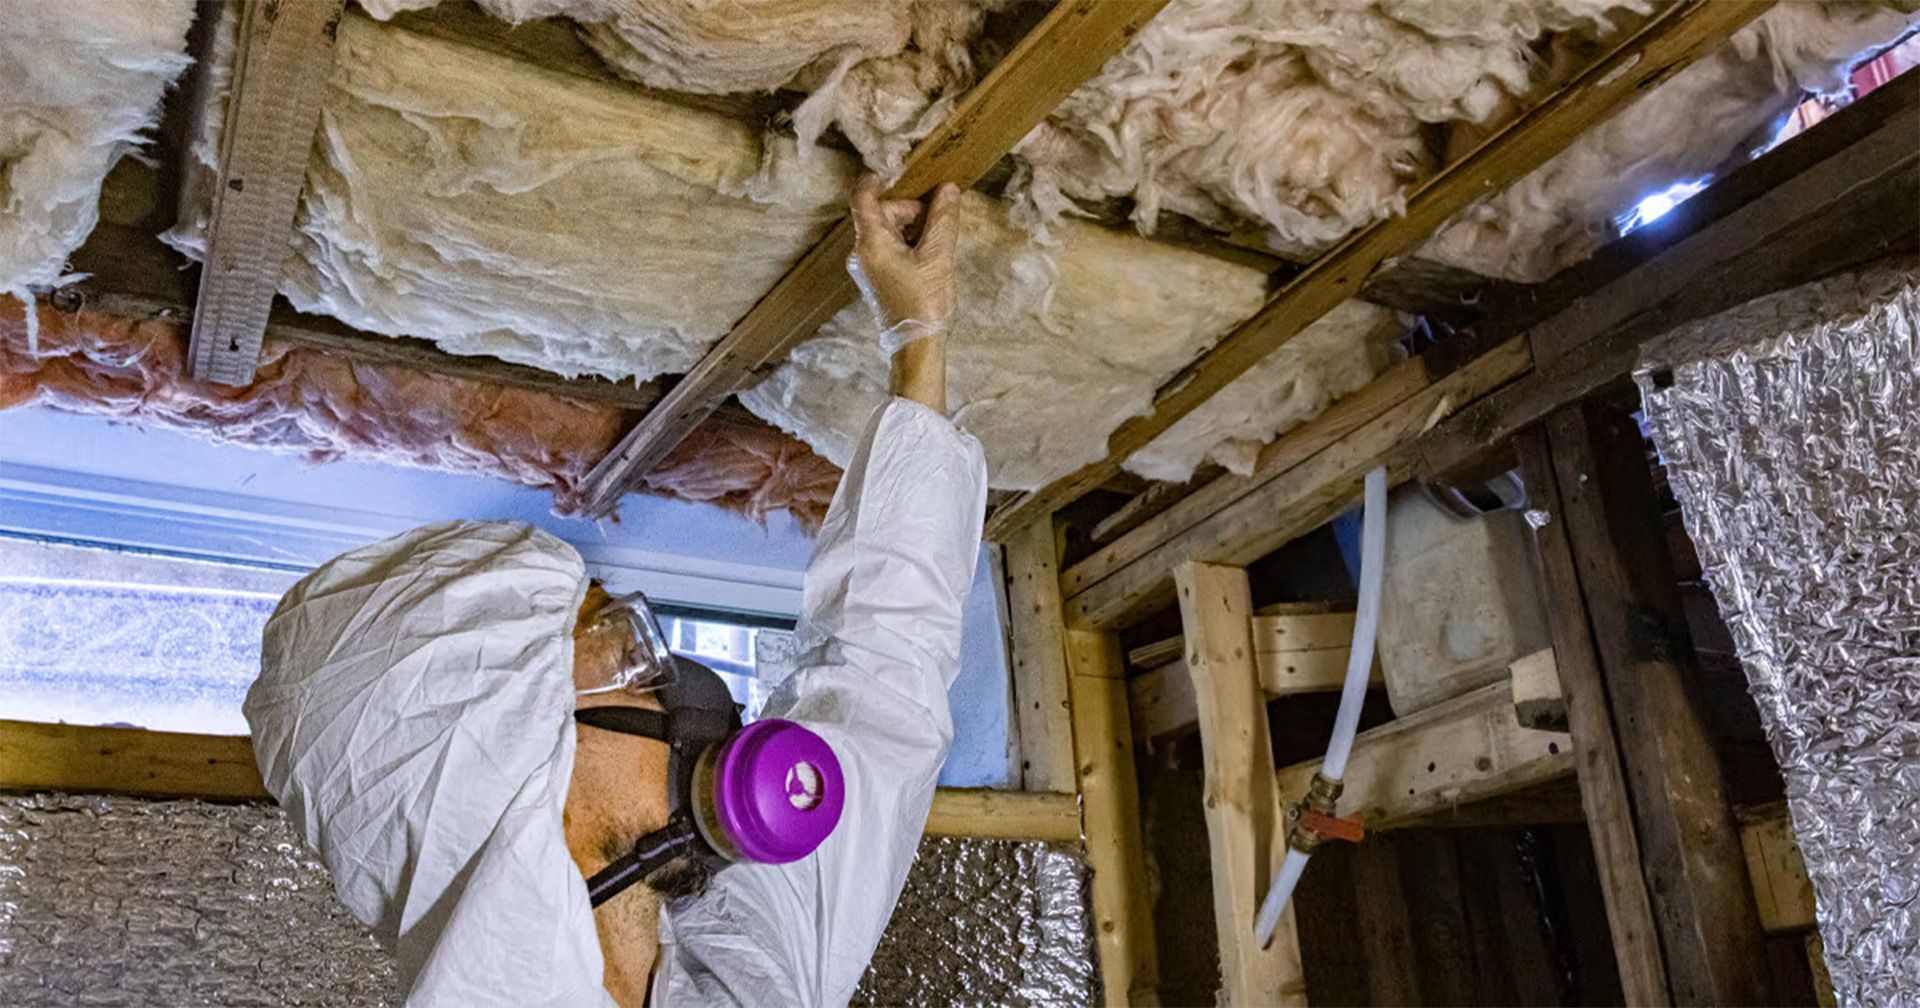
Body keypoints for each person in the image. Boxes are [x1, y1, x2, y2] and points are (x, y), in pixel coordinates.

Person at [244, 175, 986, 1006]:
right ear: (515, 768)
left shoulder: (725, 963)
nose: (675, 680)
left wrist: (919, 336)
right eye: (617, 645)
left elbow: (883, 681)